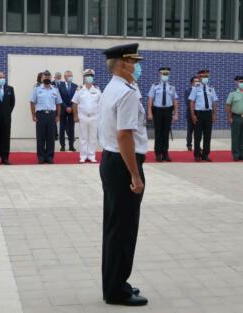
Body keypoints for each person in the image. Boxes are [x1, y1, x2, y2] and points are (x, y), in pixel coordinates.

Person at [98, 43, 148, 306]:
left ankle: (115, 281)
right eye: (133, 61)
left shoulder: (114, 88)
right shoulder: (126, 93)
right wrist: (135, 175)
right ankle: (116, 290)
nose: (137, 66)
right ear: (122, 64)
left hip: (111, 160)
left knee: (115, 226)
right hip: (123, 163)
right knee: (123, 229)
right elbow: (124, 135)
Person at [30, 71, 62, 164]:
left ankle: (49, 157)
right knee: (40, 137)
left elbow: (59, 103)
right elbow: (32, 102)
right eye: (45, 76)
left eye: (48, 76)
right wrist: (33, 115)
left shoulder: (55, 89)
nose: (47, 78)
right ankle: (41, 157)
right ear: (42, 78)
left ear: (51, 78)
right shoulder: (37, 89)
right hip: (40, 115)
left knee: (50, 137)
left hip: (51, 115)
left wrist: (58, 116)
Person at [147, 67, 179, 162]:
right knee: (158, 132)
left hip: (168, 111)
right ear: (159, 75)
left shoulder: (172, 87)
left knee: (166, 132)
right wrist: (149, 113)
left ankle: (165, 153)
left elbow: (175, 100)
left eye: (166, 74)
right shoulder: (155, 86)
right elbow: (150, 99)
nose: (165, 76)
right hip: (157, 111)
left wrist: (176, 113)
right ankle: (158, 154)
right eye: (163, 74)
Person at [72, 69, 101, 163]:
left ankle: (92, 155)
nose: (90, 78)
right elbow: (75, 103)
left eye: (91, 76)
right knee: (83, 137)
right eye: (88, 76)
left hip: (94, 116)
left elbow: (101, 103)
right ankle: (83, 156)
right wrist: (75, 116)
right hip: (83, 116)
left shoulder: (97, 90)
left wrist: (100, 116)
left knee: (93, 137)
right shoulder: (80, 89)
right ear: (84, 78)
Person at [189, 69, 218, 162]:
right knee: (198, 135)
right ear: (199, 77)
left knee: (207, 135)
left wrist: (214, 114)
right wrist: (193, 115)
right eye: (203, 76)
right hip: (199, 113)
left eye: (207, 76)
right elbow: (192, 102)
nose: (205, 78)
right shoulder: (195, 88)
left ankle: (205, 154)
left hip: (208, 113)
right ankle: (197, 155)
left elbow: (214, 102)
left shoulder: (211, 88)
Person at [58, 70, 78, 151]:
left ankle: (71, 146)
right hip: (63, 109)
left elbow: (76, 98)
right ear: (64, 77)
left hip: (72, 109)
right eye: (68, 75)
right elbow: (59, 99)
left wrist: (71, 107)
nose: (70, 77)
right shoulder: (60, 86)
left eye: (71, 75)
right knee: (62, 128)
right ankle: (62, 146)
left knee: (71, 129)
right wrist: (66, 107)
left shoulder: (75, 86)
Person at [184, 76, 200, 151]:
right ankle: (189, 145)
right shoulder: (188, 91)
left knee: (198, 131)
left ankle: (198, 145)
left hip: (199, 113)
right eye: (195, 81)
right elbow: (188, 102)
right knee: (190, 130)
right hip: (190, 112)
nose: (197, 83)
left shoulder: (201, 90)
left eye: (198, 81)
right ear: (191, 83)